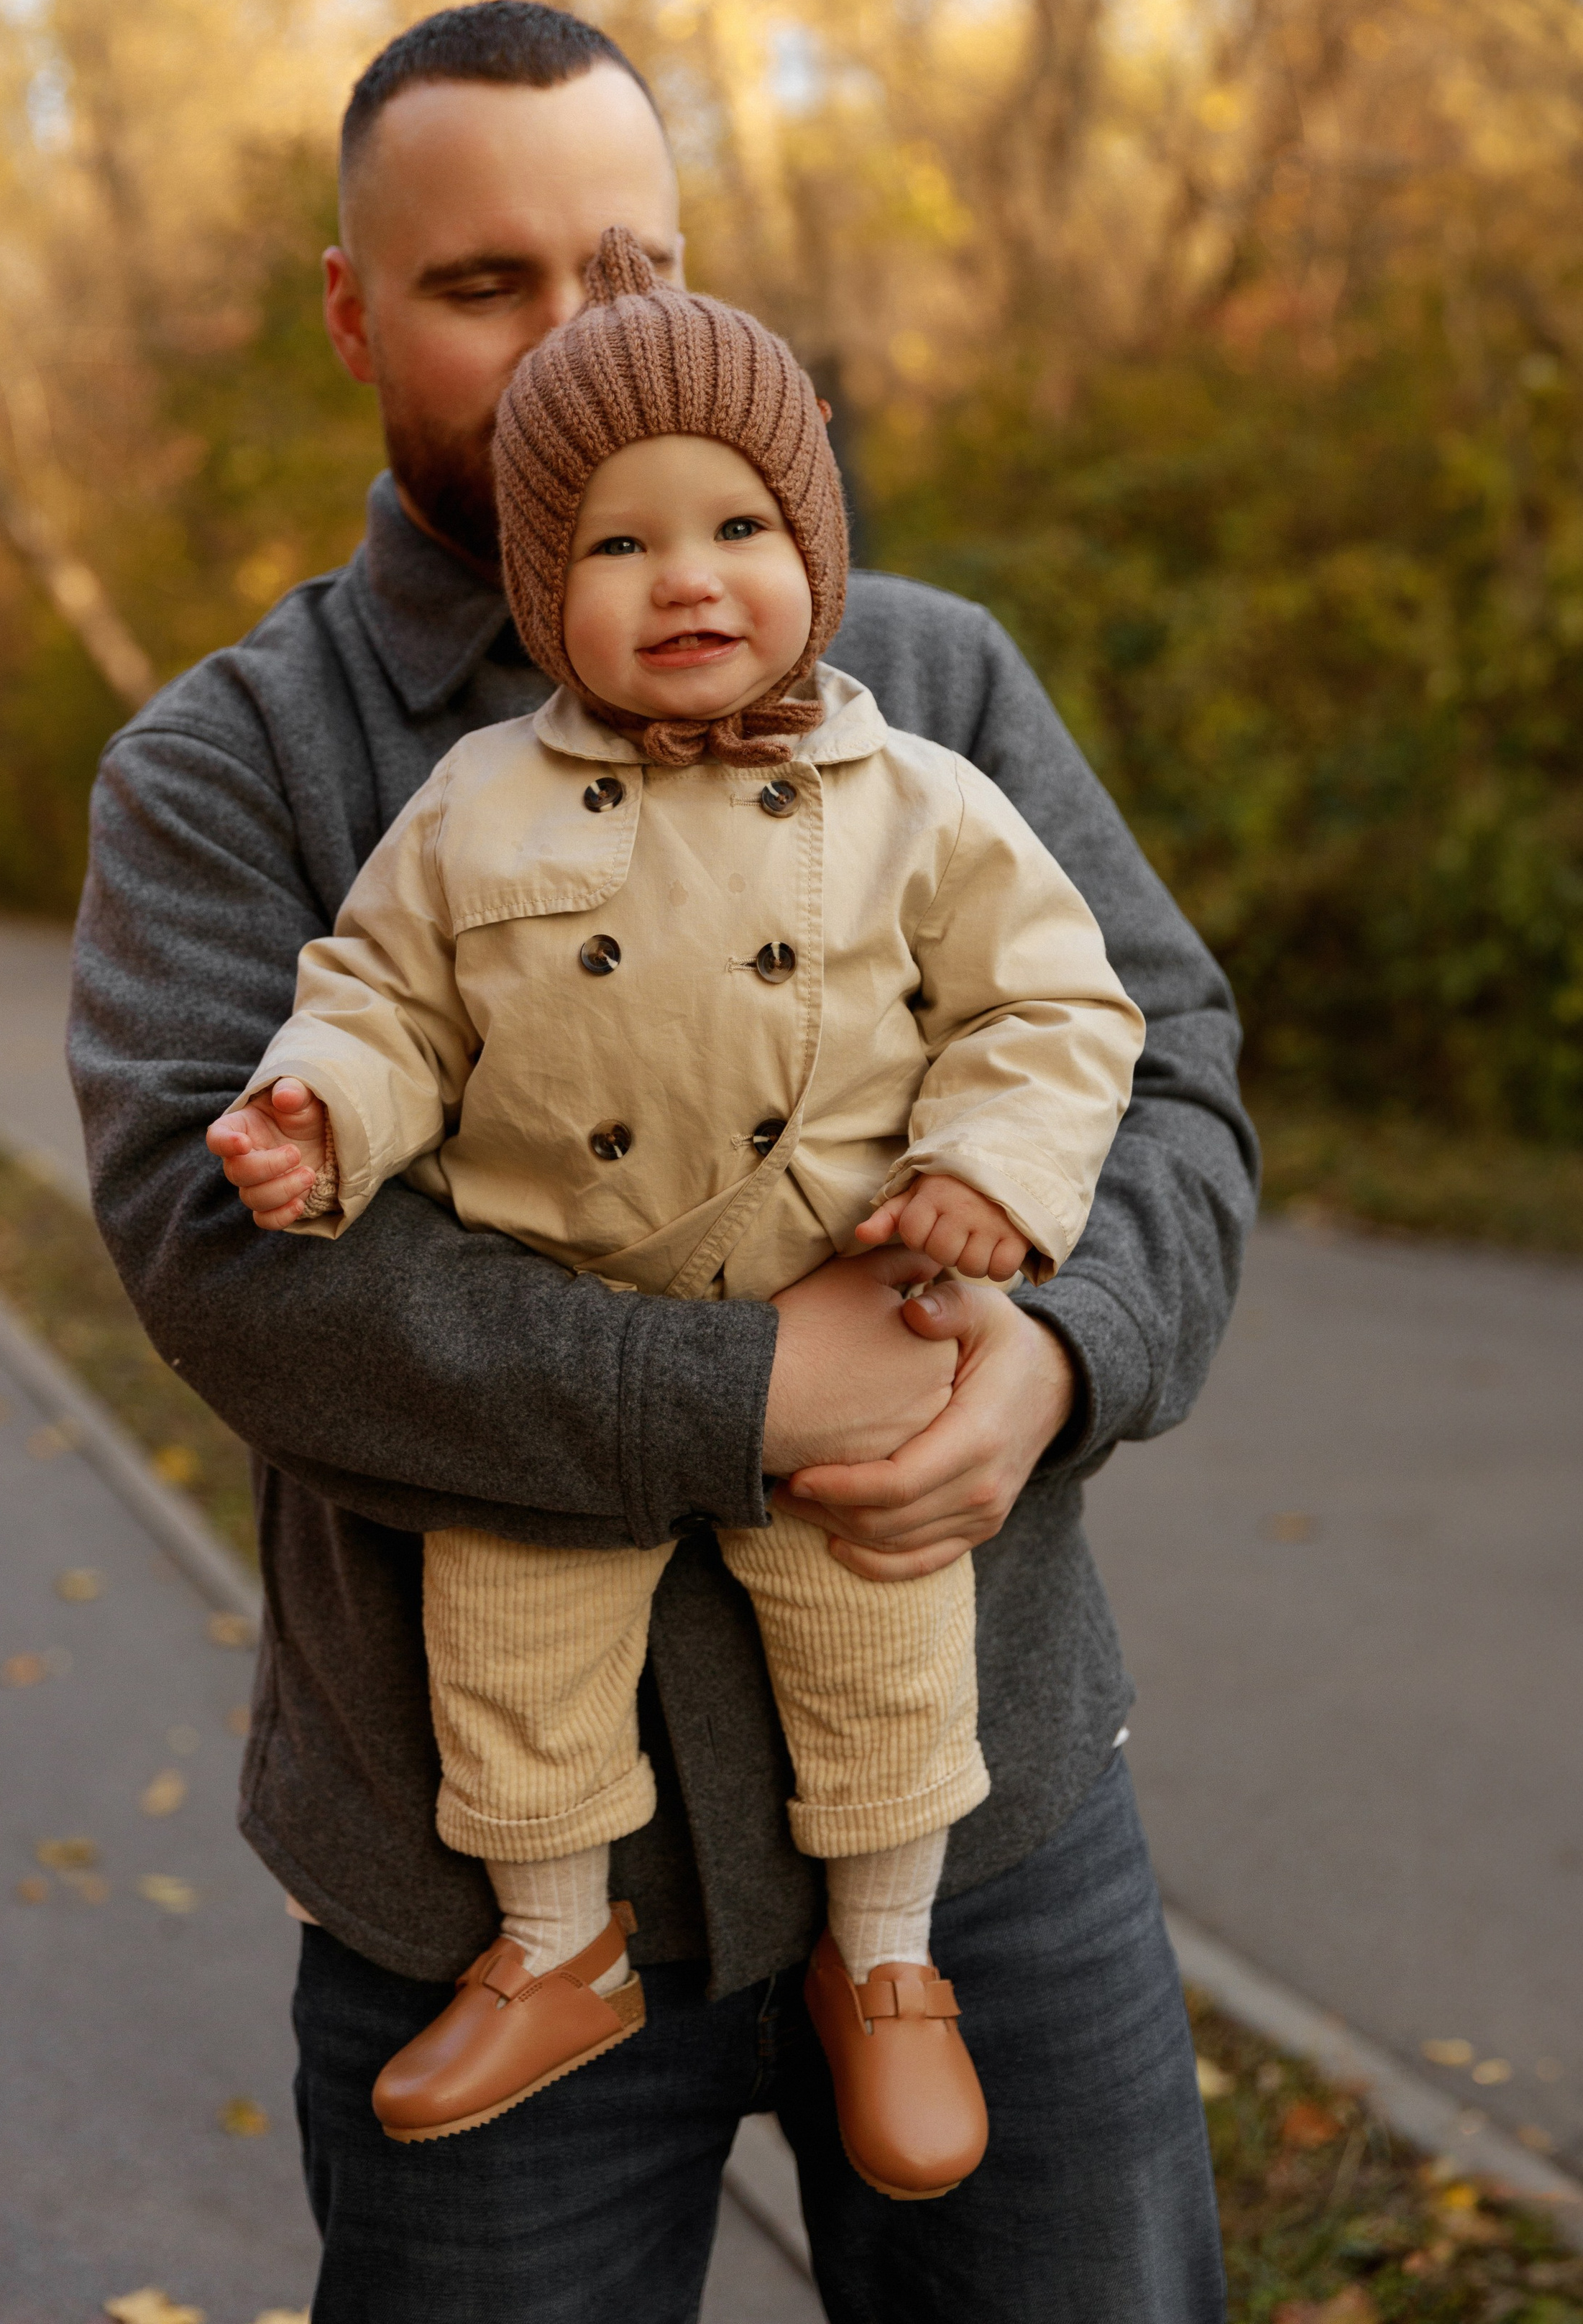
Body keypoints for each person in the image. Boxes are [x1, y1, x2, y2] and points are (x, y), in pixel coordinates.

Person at [69, 0, 1257, 2323]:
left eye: (624, 270)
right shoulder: (235, 760)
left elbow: (1163, 1060)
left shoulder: (930, 681)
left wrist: (1057, 1354)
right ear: (351, 309)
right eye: (480, 282)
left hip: (985, 1825)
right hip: (479, 1865)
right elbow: (230, 1264)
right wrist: (741, 1395)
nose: (565, 346)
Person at [205, 226, 1146, 2199]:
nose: (688, 578)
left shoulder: (917, 785)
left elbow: (1059, 999)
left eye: (735, 524)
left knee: (885, 1659)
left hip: (869, 1328)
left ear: (814, 544)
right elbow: (381, 994)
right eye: (620, 548)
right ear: (546, 594)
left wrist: (991, 1174)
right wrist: (321, 1113)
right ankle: (560, 1944)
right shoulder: (475, 804)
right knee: (515, 1662)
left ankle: (889, 1967)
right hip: (571, 1350)